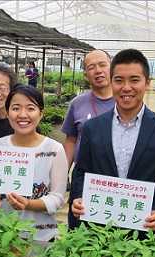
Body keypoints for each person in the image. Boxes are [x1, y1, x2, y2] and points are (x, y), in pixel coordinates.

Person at [70, 49, 155, 231]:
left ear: (147, 83)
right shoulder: (93, 128)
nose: (126, 87)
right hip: (97, 228)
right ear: (111, 82)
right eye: (119, 80)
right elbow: (81, 172)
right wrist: (78, 197)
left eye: (134, 80)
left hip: (140, 229)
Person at [0, 85, 67, 242]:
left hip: (41, 237)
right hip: (2, 236)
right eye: (15, 108)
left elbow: (57, 198)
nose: (23, 115)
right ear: (7, 113)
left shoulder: (54, 149)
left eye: (30, 108)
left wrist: (29, 204)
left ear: (41, 114)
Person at [61, 49, 114, 228]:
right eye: (91, 67)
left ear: (112, 67)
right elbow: (71, 140)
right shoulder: (78, 103)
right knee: (79, 226)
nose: (98, 71)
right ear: (85, 75)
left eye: (102, 65)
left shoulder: (125, 101)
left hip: (115, 177)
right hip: (83, 175)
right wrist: (62, 175)